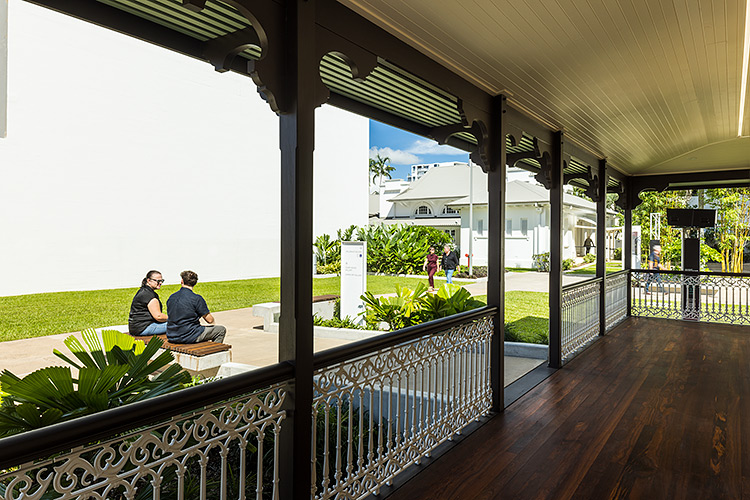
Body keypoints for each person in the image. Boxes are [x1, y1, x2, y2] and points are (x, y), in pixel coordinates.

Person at [166, 270, 226, 344]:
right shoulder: (196, 298)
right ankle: (215, 352)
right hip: (189, 336)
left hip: (171, 335)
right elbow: (209, 320)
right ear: (195, 283)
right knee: (221, 330)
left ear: (182, 281)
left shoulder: (172, 297)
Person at [128, 270, 168, 336]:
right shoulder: (148, 295)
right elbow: (158, 316)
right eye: (158, 281)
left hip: (136, 328)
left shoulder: (144, 291)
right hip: (143, 328)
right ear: (149, 280)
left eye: (162, 281)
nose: (160, 283)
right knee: (180, 325)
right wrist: (173, 319)